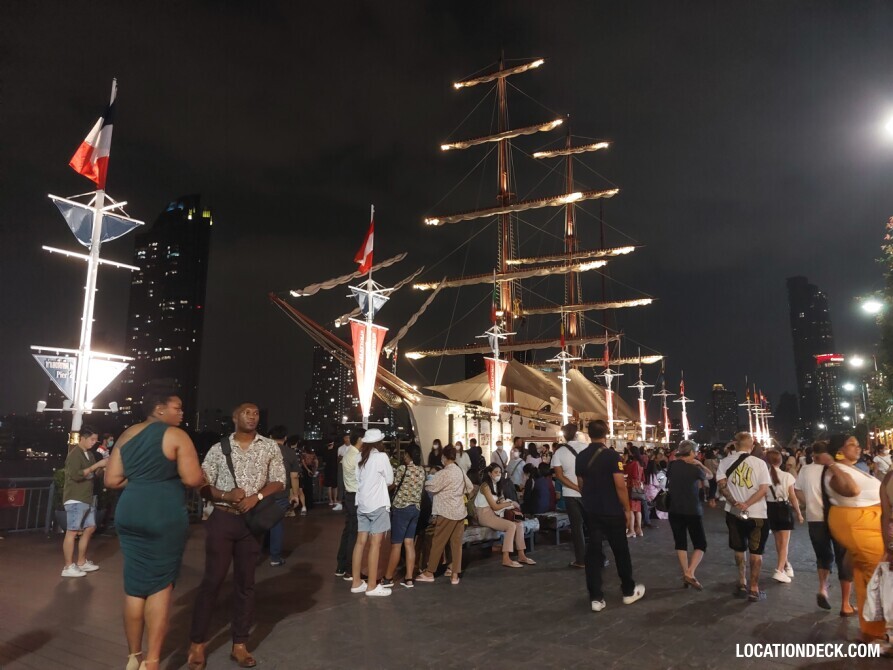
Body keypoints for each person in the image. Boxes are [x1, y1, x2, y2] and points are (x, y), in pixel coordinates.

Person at [104, 386, 204, 670]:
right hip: (163, 513)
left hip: (130, 510)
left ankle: (132, 657)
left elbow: (111, 480)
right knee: (161, 585)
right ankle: (152, 661)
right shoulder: (176, 436)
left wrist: (140, 482)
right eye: (177, 407)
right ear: (159, 409)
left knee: (134, 587)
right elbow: (192, 478)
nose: (182, 413)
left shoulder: (126, 434)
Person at [188, 402, 286, 670]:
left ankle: (240, 643)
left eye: (256, 412)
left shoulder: (268, 446)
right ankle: (197, 643)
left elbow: (279, 480)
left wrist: (258, 496)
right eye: (247, 412)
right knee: (212, 581)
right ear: (234, 417)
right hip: (222, 518)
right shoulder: (219, 449)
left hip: (252, 523)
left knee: (246, 583)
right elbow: (202, 484)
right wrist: (225, 495)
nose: (252, 416)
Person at [575, 420, 645, 612]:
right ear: (606, 433)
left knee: (593, 553)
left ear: (589, 434)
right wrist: (627, 508)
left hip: (592, 511)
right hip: (612, 510)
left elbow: (581, 483)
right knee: (621, 551)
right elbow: (620, 485)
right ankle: (628, 591)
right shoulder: (612, 456)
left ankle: (596, 598)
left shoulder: (581, 457)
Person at [825, 434, 887, 643]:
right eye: (853, 445)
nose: (858, 448)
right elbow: (852, 490)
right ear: (839, 449)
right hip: (859, 523)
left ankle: (871, 631)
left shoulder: (852, 468)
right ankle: (878, 632)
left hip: (872, 523)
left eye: (858, 445)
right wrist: (832, 463)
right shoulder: (835, 472)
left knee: (866, 576)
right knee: (878, 576)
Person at [794, 440, 855, 614]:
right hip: (837, 518)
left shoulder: (805, 470)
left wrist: (809, 502)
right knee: (843, 557)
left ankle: (823, 588)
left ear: (813, 455)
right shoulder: (836, 469)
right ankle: (845, 604)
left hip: (815, 519)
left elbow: (797, 490)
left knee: (823, 556)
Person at [716, 431, 771, 602]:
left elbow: (721, 485)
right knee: (756, 552)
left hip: (734, 513)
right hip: (757, 514)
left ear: (735, 445)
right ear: (752, 446)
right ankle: (754, 588)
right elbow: (764, 490)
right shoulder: (760, 463)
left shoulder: (725, 462)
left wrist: (736, 503)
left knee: (739, 549)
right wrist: (747, 504)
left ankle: (742, 582)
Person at [417, 444, 473, 586]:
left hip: (446, 512)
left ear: (445, 457)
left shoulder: (444, 473)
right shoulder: (460, 471)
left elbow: (431, 486)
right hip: (460, 512)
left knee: (438, 542)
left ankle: (430, 572)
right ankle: (454, 574)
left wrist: (429, 479)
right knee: (456, 544)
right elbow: (470, 487)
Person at [350, 429, 394, 597]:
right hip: (377, 505)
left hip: (362, 504)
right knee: (375, 544)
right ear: (379, 442)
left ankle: (356, 582)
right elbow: (390, 480)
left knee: (360, 542)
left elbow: (357, 479)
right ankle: (371, 586)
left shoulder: (359, 457)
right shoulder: (381, 457)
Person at [61, 425, 107, 579]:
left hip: (87, 497)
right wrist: (96, 466)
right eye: (92, 439)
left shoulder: (90, 455)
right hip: (75, 497)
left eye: (96, 439)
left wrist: (104, 467)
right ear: (83, 438)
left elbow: (94, 474)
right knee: (72, 531)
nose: (94, 442)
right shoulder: (74, 454)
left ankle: (81, 562)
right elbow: (75, 475)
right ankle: (68, 566)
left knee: (90, 527)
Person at [665, 441, 712, 590]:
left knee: (681, 542)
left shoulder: (672, 465)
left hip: (674, 509)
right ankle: (690, 573)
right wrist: (700, 464)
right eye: (695, 452)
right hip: (692, 510)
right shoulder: (694, 469)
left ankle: (686, 574)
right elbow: (710, 476)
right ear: (691, 452)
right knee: (700, 544)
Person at [381, 444, 426, 588]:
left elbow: (392, 485)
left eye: (405, 454)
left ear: (408, 455)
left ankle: (388, 578)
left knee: (396, 545)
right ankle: (409, 578)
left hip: (401, 509)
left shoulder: (403, 469)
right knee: (409, 543)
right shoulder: (422, 470)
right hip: (415, 509)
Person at [475, 464, 535, 567]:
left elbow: (501, 500)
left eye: (500, 472)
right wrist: (511, 504)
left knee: (519, 524)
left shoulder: (498, 485)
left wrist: (509, 505)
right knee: (511, 526)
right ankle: (506, 558)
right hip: (485, 514)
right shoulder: (485, 486)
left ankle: (521, 555)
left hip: (495, 513)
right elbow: (494, 506)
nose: (498, 474)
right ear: (490, 473)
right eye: (496, 472)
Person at [551, 424, 587, 568]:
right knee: (593, 526)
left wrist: (575, 488)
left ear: (563, 435)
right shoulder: (586, 448)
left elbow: (559, 476)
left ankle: (581, 560)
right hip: (589, 493)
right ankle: (598, 557)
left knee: (577, 528)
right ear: (576, 434)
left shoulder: (559, 452)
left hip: (570, 494)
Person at [765, 449, 803, 584]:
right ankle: (779, 570)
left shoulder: (764, 476)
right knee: (784, 543)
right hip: (783, 508)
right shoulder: (787, 476)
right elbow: (792, 496)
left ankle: (786, 566)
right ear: (780, 461)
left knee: (778, 542)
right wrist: (798, 513)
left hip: (770, 509)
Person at [267, 426, 298, 567]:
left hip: (263, 493)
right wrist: (295, 495)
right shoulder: (290, 453)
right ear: (285, 438)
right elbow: (294, 476)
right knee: (276, 524)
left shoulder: (264, 451)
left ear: (270, 437)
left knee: (258, 522)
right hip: (281, 493)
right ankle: (275, 557)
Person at [335, 436, 361, 579]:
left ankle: (341, 565)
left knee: (347, 531)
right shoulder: (356, 456)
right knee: (353, 533)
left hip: (349, 496)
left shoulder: (347, 454)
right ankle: (349, 569)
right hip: (355, 497)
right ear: (360, 439)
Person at [625, 447, 645, 538]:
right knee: (638, 510)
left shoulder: (632, 464)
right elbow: (643, 478)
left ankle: (632, 530)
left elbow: (627, 473)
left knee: (631, 510)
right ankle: (639, 530)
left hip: (631, 488)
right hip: (638, 489)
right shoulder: (640, 464)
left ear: (632, 453)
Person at [323, 440, 340, 507]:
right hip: (334, 469)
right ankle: (335, 499)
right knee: (335, 486)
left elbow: (324, 462)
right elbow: (338, 459)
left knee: (329, 486)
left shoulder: (325, 451)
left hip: (327, 470)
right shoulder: (336, 451)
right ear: (332, 444)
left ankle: (330, 500)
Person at [336, 433, 352, 507]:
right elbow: (338, 459)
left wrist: (344, 457)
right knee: (340, 483)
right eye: (346, 438)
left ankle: (348, 502)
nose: (347, 439)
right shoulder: (340, 448)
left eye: (348, 438)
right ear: (344, 439)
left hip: (350, 467)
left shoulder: (353, 448)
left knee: (349, 484)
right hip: (341, 466)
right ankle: (339, 502)